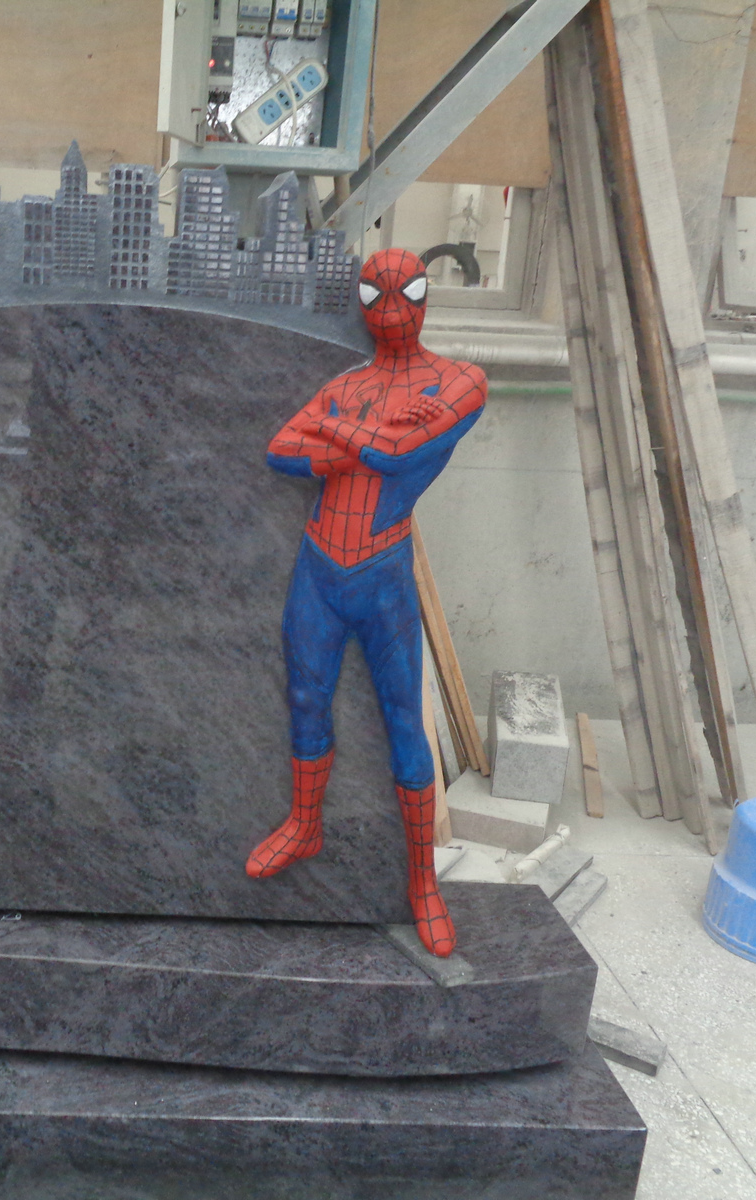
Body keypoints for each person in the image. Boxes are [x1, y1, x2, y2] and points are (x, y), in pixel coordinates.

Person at [248, 247, 486, 958]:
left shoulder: (460, 381)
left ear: (425, 296)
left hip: (383, 568)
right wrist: (367, 434)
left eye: (405, 293)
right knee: (305, 698)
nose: (391, 311)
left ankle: (423, 884)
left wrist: (336, 429)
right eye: (376, 297)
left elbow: (395, 458)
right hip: (319, 563)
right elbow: (279, 448)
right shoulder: (349, 382)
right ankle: (304, 824)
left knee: (404, 722)